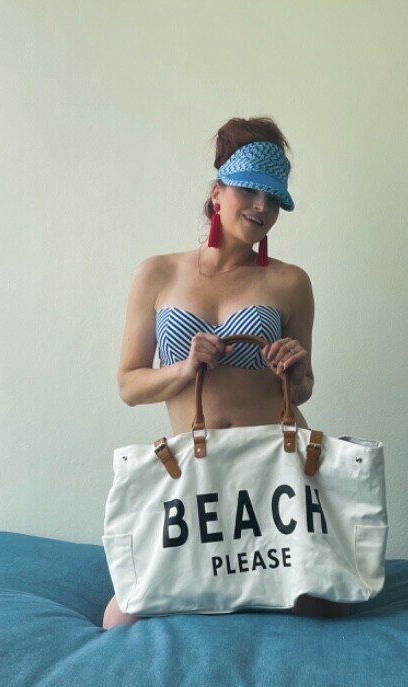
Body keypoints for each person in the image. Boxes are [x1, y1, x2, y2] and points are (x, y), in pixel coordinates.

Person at [103, 116, 347, 629]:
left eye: (274, 198)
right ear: (217, 192)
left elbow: (303, 388)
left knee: (320, 607)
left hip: (274, 477)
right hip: (196, 479)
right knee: (120, 620)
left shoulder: (290, 282)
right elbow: (129, 385)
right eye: (249, 190)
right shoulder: (157, 274)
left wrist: (295, 372)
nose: (262, 207)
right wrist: (186, 368)